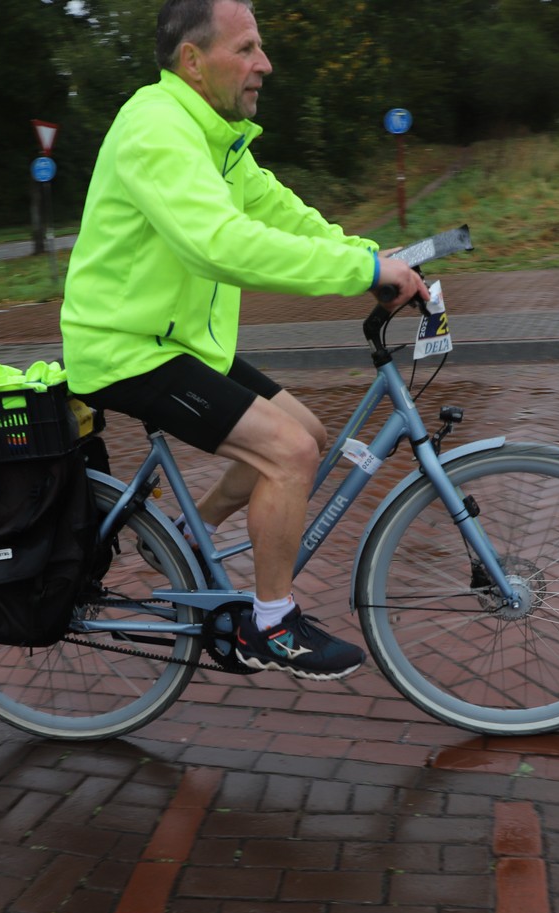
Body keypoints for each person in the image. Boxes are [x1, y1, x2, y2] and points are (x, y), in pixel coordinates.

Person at [62, 0, 427, 681]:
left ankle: (179, 533)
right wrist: (361, 274)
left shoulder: (216, 137)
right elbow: (220, 244)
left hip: (176, 342)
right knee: (288, 453)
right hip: (125, 349)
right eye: (247, 48)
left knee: (309, 434)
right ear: (193, 61)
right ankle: (272, 625)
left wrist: (373, 257)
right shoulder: (156, 127)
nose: (265, 64)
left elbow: (281, 212)